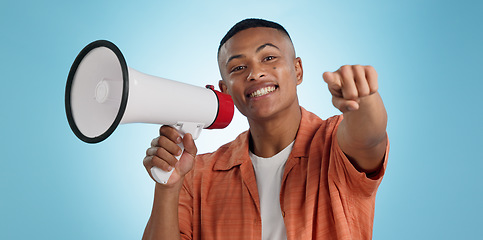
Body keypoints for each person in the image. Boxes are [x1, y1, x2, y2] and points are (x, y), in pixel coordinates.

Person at [142, 18, 389, 240]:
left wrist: (363, 99)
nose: (255, 73)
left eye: (269, 58)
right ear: (225, 90)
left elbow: (369, 137)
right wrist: (168, 186)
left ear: (297, 70)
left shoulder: (334, 144)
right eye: (238, 68)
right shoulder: (196, 175)